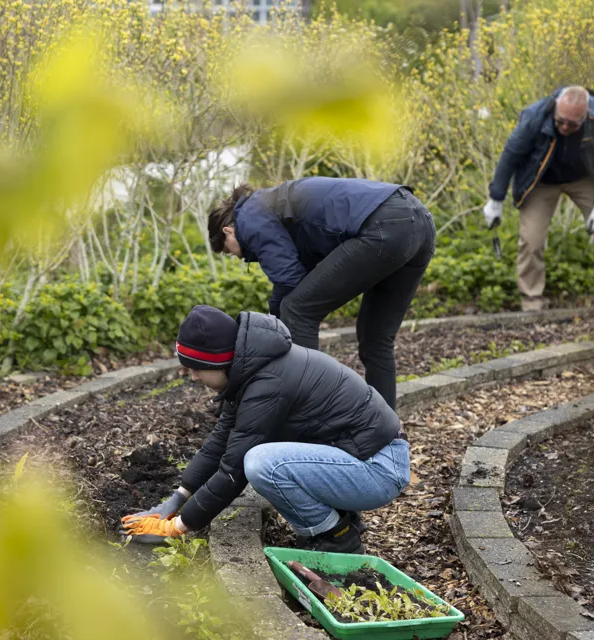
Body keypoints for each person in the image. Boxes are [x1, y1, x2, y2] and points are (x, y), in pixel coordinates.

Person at [120, 305, 410, 553]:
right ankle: (343, 519)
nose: (193, 376)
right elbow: (221, 440)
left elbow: (232, 471)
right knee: (262, 457)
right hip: (361, 457)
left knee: (261, 464)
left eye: (196, 367)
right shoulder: (254, 368)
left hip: (378, 470)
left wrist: (175, 528)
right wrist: (177, 499)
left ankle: (335, 537)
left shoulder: (267, 383)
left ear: (218, 361)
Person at [206, 177, 435, 412]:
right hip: (420, 223)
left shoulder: (249, 216)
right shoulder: (274, 211)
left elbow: (290, 282)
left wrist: (269, 331)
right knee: (375, 339)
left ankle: (312, 419)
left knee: (298, 310)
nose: (238, 256)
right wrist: (273, 325)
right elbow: (298, 281)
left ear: (228, 231)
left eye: (227, 251)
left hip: (385, 224)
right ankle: (387, 434)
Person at [483, 85, 594, 311]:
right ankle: (532, 302)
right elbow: (510, 155)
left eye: (572, 124)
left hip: (582, 177)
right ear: (555, 109)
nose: (565, 127)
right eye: (560, 121)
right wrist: (495, 199)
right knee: (531, 239)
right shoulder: (535, 116)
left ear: (585, 116)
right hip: (540, 181)